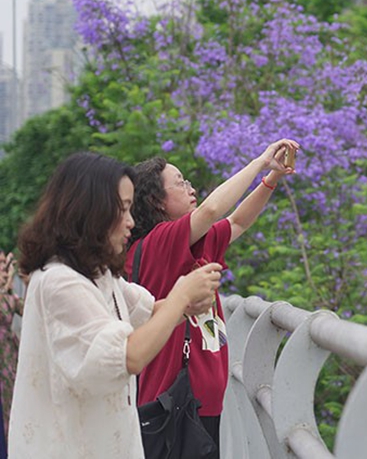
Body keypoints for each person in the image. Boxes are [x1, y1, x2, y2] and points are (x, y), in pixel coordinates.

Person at [8, 152, 223, 459]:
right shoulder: (59, 283)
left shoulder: (99, 275)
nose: (131, 222)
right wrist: (182, 296)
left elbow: (150, 312)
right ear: (91, 212)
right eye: (122, 210)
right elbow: (129, 355)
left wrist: (187, 305)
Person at [128, 138, 299, 457]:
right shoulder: (158, 243)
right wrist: (259, 162)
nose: (190, 188)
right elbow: (212, 210)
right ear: (156, 200)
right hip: (173, 402)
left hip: (199, 402)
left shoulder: (194, 242)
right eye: (180, 182)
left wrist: (270, 179)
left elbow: (236, 222)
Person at [0, 250, 22, 452]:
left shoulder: (8, 295)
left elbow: (29, 309)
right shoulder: (5, 295)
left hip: (9, 359)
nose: (3, 269)